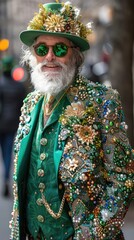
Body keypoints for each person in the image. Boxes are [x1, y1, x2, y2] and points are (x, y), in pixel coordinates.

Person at [9, 1, 134, 240]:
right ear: (33, 56)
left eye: (59, 49)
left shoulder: (102, 101)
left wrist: (91, 234)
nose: (49, 57)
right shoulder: (30, 103)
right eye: (41, 49)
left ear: (75, 55)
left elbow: (123, 178)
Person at [0, 56, 26, 197]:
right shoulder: (18, 86)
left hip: (1, 123)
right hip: (11, 124)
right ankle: (6, 179)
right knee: (8, 154)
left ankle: (5, 180)